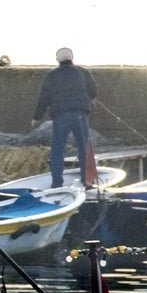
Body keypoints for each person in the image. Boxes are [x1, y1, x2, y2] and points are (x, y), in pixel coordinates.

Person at [31, 47, 98, 188]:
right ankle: (86, 181)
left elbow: (44, 97)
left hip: (61, 115)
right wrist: (90, 99)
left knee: (57, 149)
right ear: (72, 58)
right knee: (83, 148)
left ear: (58, 60)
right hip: (80, 114)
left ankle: (57, 183)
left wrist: (36, 117)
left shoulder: (51, 75)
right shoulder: (82, 72)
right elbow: (93, 90)